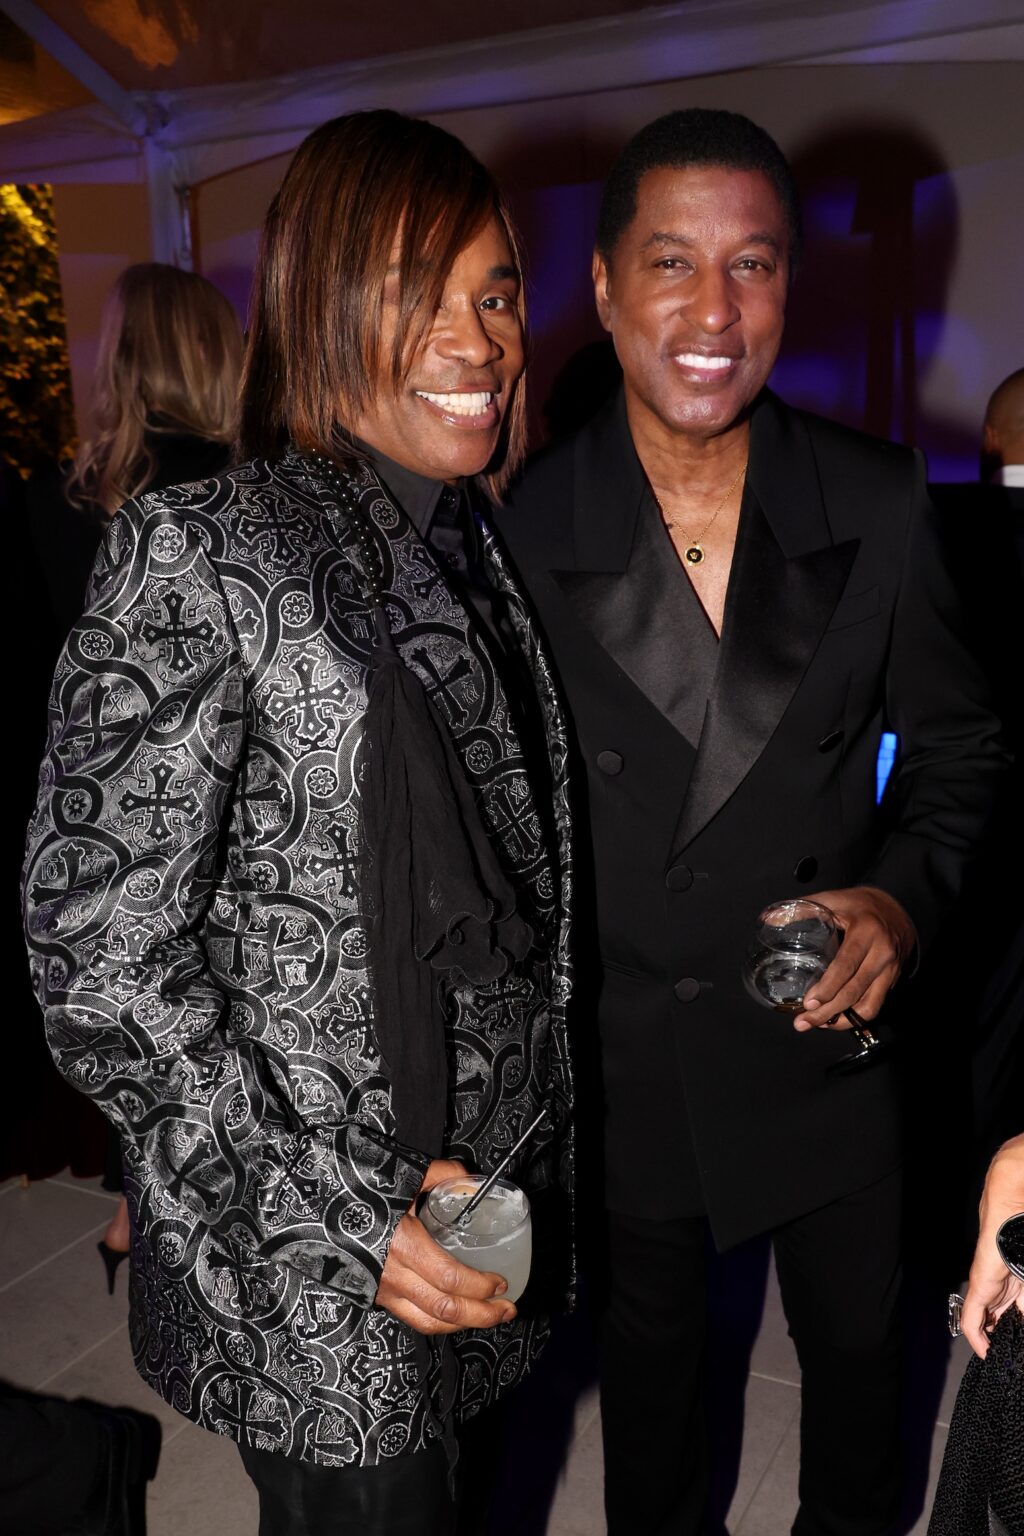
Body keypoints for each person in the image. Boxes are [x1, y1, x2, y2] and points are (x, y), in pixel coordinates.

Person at [23, 109, 573, 1536]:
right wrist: (343, 1217)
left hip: (475, 1200)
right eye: (420, 294)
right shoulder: (198, 548)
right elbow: (100, 968)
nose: (480, 342)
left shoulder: (467, 548)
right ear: (325, 301)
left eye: (497, 294)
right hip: (321, 1264)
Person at [498, 108, 1005, 1536]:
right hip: (632, 1057)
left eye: (755, 266)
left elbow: (967, 753)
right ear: (603, 287)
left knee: (860, 1385)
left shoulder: (882, 497)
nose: (713, 312)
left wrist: (901, 901)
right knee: (653, 1400)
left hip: (830, 1045)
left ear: (792, 284)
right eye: (671, 261)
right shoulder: (523, 528)